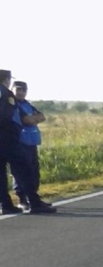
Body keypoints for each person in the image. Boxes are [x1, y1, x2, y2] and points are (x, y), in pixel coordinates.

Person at [0, 70, 56, 214]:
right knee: (24, 171)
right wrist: (14, 128)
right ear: (6, 80)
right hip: (8, 139)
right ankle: (33, 202)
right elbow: (8, 115)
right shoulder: (6, 94)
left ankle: (6, 205)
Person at [9, 81, 46, 210]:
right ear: (12, 90)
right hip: (20, 142)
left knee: (34, 171)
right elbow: (28, 120)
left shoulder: (27, 104)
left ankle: (34, 198)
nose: (21, 92)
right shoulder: (13, 104)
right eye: (18, 90)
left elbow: (42, 116)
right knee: (23, 172)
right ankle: (23, 199)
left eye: (23, 90)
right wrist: (33, 119)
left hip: (31, 142)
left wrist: (33, 119)